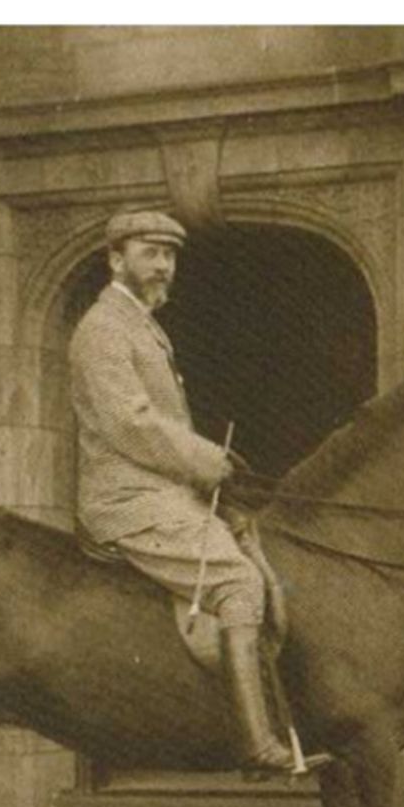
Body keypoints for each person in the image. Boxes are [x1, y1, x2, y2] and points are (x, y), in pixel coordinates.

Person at [68, 208, 312, 774]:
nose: (162, 266)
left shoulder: (143, 327)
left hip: (164, 494)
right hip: (126, 502)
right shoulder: (102, 329)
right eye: (149, 252)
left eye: (170, 255)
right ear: (115, 258)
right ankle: (256, 742)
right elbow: (130, 424)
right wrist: (208, 460)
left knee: (254, 548)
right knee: (237, 581)